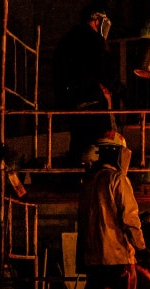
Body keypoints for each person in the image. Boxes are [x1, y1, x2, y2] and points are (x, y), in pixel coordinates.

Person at [76, 131, 147, 289]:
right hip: (118, 255)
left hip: (94, 256)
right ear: (118, 153)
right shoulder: (117, 179)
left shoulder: (89, 181)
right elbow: (129, 218)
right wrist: (141, 247)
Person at [53, 2, 119, 166]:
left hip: (71, 103)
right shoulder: (95, 40)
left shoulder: (65, 41)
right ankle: (100, 177)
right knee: (101, 143)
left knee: (78, 142)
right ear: (98, 21)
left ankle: (76, 176)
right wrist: (118, 89)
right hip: (93, 100)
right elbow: (106, 71)